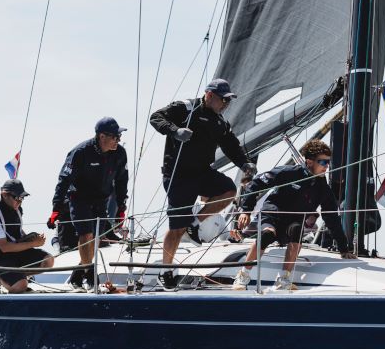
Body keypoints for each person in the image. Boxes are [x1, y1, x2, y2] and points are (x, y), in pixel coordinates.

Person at [150, 78, 257, 289]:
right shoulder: (185, 108)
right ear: (209, 95)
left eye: (228, 101)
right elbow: (156, 117)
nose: (226, 104)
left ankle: (195, 223)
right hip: (178, 175)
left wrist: (244, 162)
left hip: (201, 172)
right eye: (223, 100)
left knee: (228, 190)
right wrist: (174, 131)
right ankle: (165, 270)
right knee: (176, 228)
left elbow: (231, 145)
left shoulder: (220, 122)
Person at [232, 140, 356, 291]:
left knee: (297, 230)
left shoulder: (323, 189)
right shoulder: (289, 172)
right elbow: (256, 183)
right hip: (272, 215)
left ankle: (284, 279)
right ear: (309, 162)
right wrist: (246, 210)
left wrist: (344, 249)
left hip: (292, 222)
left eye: (328, 162)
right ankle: (243, 275)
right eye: (322, 162)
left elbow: (331, 218)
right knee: (267, 235)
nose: (326, 166)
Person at [49, 117, 129, 291]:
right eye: (115, 137)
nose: (118, 140)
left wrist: (121, 207)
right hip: (79, 198)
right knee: (85, 236)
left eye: (119, 137)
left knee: (97, 239)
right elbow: (63, 180)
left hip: (101, 200)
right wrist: (56, 209)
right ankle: (89, 275)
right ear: (102, 136)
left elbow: (122, 180)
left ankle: (77, 274)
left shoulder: (119, 153)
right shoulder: (80, 152)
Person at [0, 179, 55, 293]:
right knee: (21, 286)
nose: (20, 201)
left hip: (15, 253)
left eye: (22, 198)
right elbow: (4, 247)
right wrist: (33, 243)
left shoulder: (18, 209)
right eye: (17, 198)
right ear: (4, 195)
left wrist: (31, 237)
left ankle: (15, 277)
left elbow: (17, 233)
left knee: (48, 260)